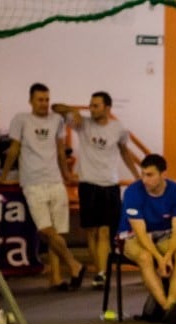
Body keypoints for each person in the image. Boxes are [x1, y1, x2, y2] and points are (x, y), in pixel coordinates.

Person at [0, 83, 86, 291]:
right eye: (40, 100)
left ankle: (56, 279)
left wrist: (65, 173)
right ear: (30, 101)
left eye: (47, 100)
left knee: (57, 233)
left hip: (55, 180)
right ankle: (74, 264)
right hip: (33, 182)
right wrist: (2, 176)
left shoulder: (56, 119)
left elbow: (60, 149)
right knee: (46, 231)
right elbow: (14, 150)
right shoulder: (21, 120)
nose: (44, 104)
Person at [52, 91, 140, 289]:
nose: (92, 109)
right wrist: (72, 110)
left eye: (96, 106)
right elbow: (55, 108)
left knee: (105, 230)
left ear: (107, 108)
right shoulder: (83, 124)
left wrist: (137, 176)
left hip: (109, 184)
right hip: (88, 184)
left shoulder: (118, 128)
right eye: (90, 105)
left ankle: (102, 273)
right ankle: (99, 270)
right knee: (92, 231)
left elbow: (125, 152)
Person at [118, 154, 176, 316]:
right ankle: (166, 307)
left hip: (164, 235)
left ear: (163, 174)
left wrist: (168, 255)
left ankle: (172, 301)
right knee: (145, 257)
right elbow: (141, 233)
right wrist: (160, 258)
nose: (144, 179)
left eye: (149, 175)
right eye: (143, 174)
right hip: (133, 236)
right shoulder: (132, 192)